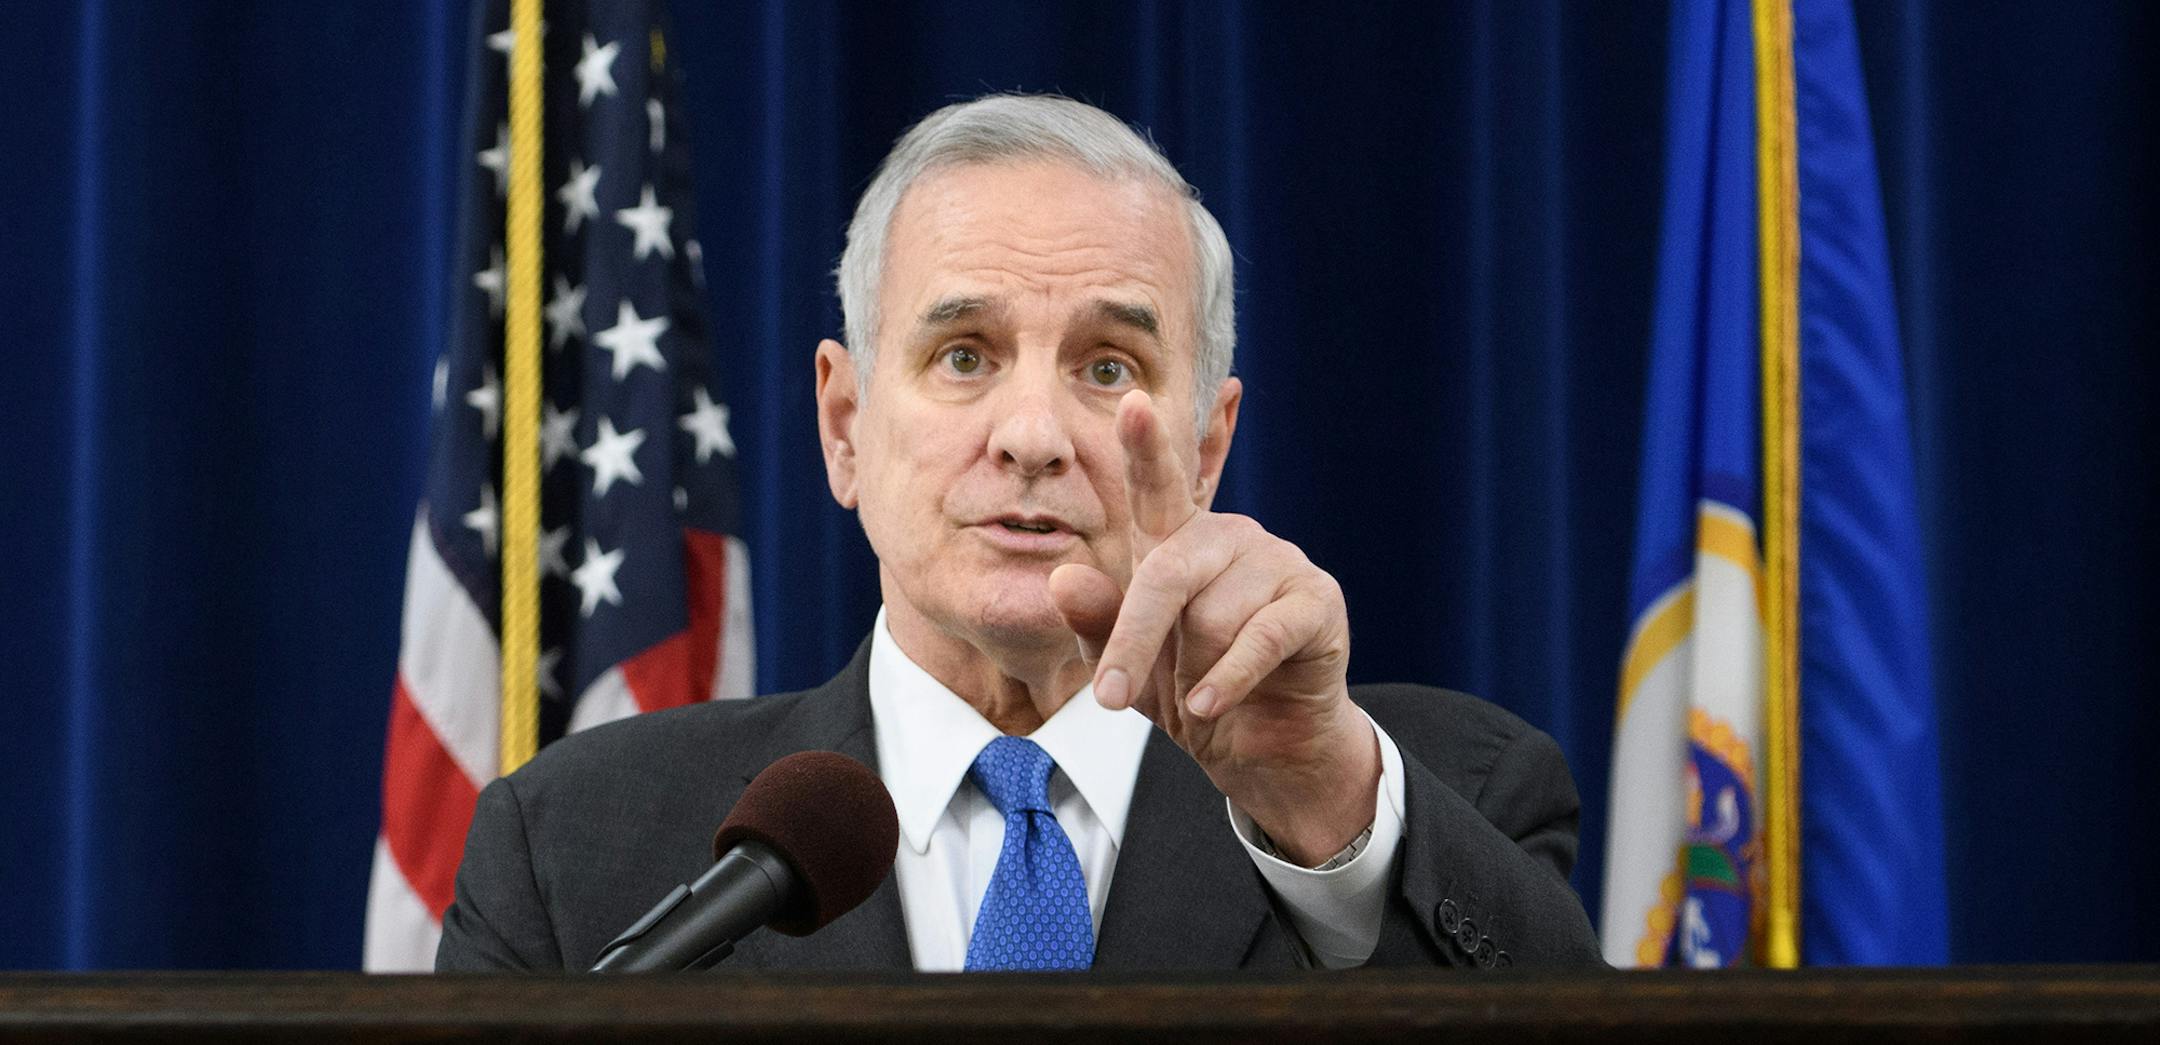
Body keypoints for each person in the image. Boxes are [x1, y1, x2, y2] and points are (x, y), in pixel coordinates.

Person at [437, 94, 1602, 972]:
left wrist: (1325, 801)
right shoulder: (570, 845)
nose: (1034, 433)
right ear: (845, 426)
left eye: (1109, 365)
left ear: (1205, 449)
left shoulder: (1434, 793)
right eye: (963, 355)